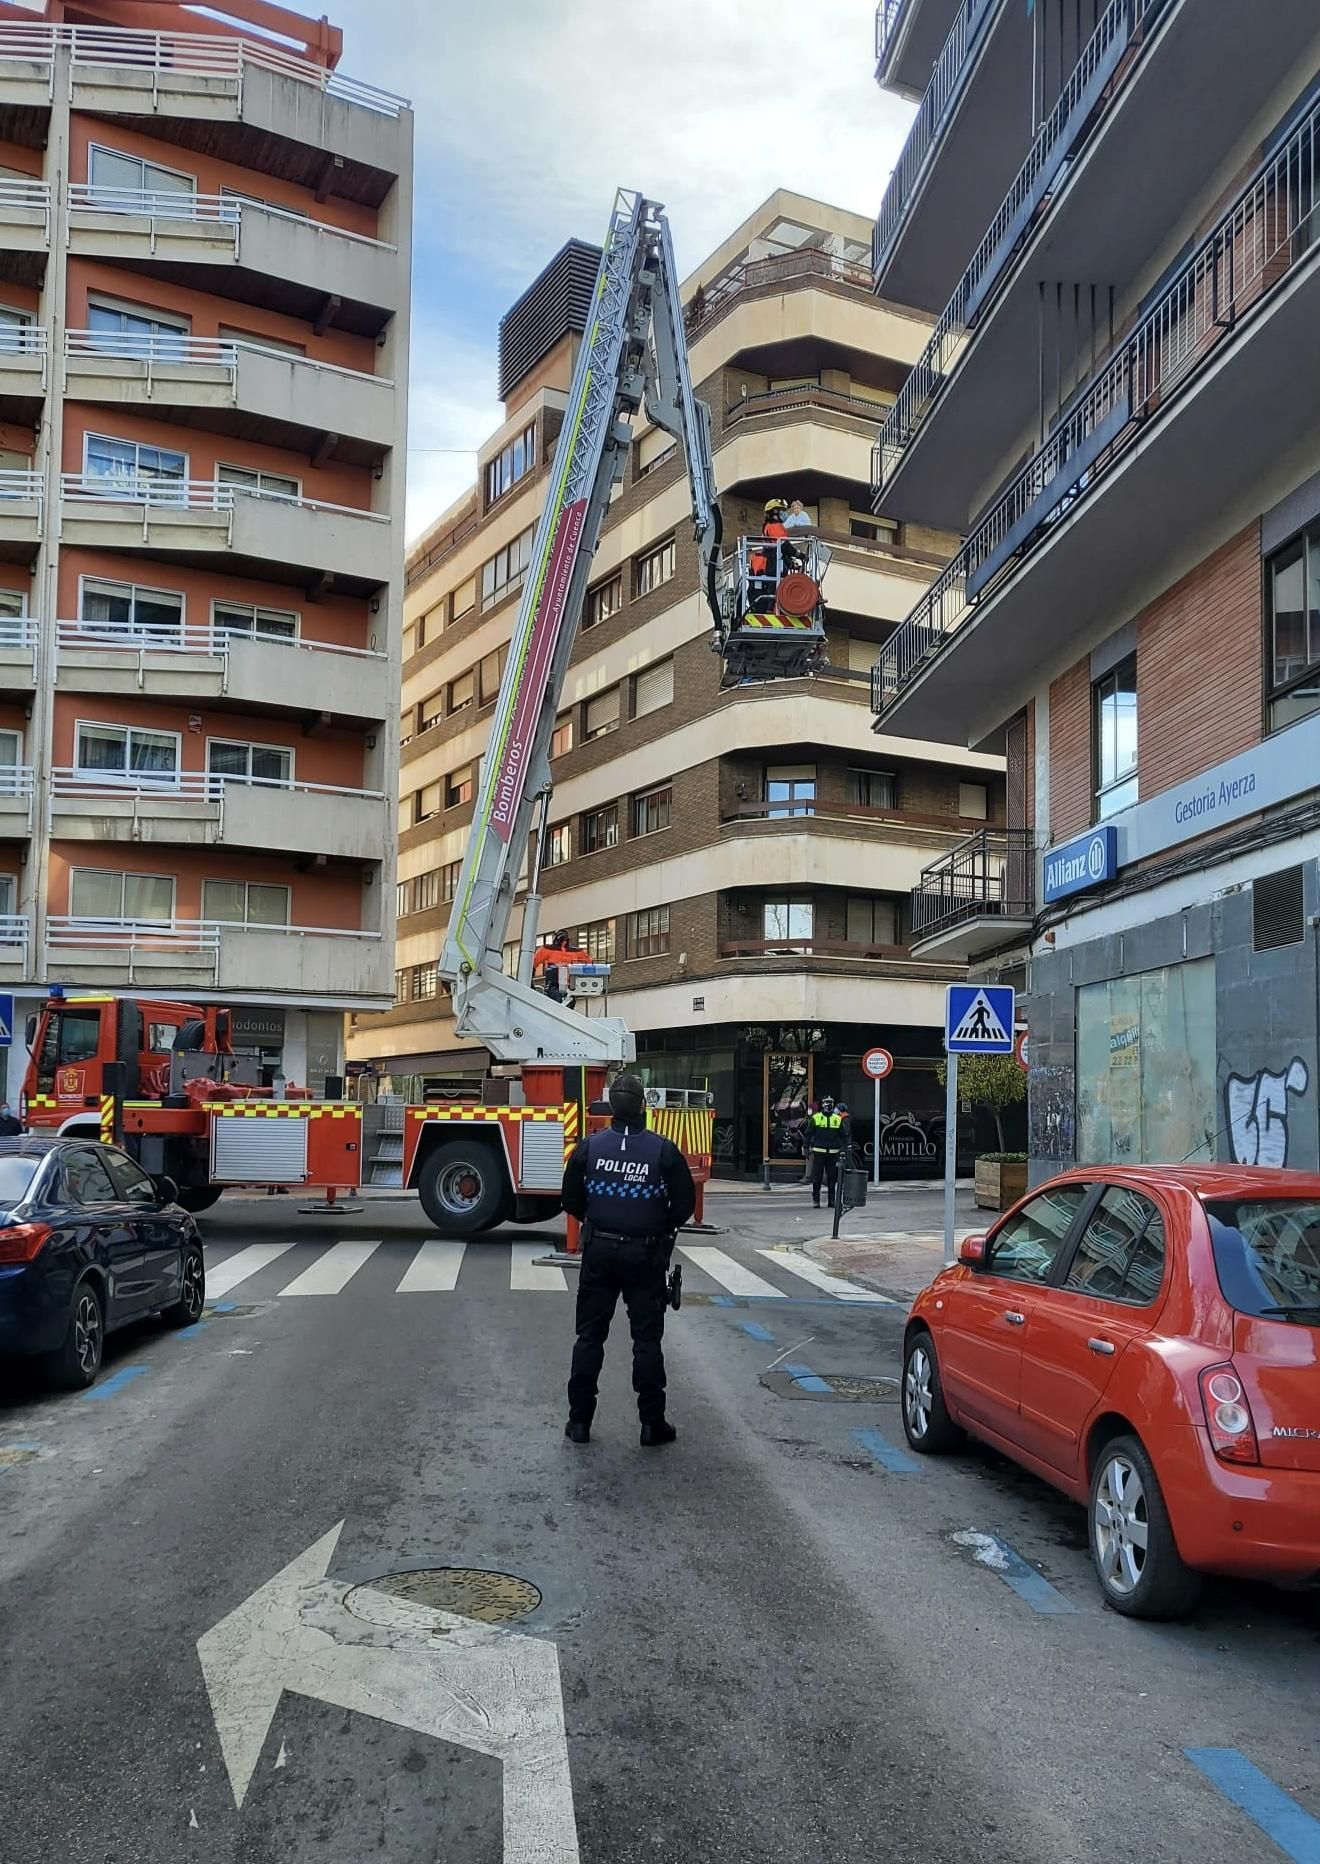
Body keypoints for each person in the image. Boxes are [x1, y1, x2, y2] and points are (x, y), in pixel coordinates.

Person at [562, 1071, 696, 1447]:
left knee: (589, 1337)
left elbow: (570, 1199)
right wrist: (660, 1224)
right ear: (642, 1105)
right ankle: (652, 1424)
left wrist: (597, 1216)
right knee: (646, 1340)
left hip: (600, 1251)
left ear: (611, 1106)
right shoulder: (663, 1150)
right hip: (645, 1253)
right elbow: (685, 1203)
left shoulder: (588, 1148)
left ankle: (579, 1422)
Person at [806, 1095, 844, 1209]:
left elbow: (843, 1135)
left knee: (832, 1177)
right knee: (817, 1177)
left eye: (830, 1103)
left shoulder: (837, 1118)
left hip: (833, 1152)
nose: (828, 1106)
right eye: (826, 1103)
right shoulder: (816, 1117)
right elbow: (808, 1134)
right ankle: (816, 1200)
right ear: (822, 1105)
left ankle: (832, 1200)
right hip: (819, 1151)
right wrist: (805, 1147)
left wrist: (845, 1148)